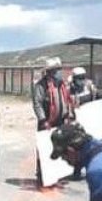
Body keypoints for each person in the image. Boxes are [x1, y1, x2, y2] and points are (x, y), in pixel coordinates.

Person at [31, 57, 75, 185]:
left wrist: (68, 115)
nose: (57, 72)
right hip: (46, 122)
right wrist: (43, 119)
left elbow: (66, 100)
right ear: (49, 71)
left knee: (60, 148)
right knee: (45, 148)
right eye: (55, 70)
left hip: (61, 121)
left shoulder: (61, 84)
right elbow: (37, 104)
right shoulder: (40, 85)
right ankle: (42, 175)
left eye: (58, 70)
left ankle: (58, 175)